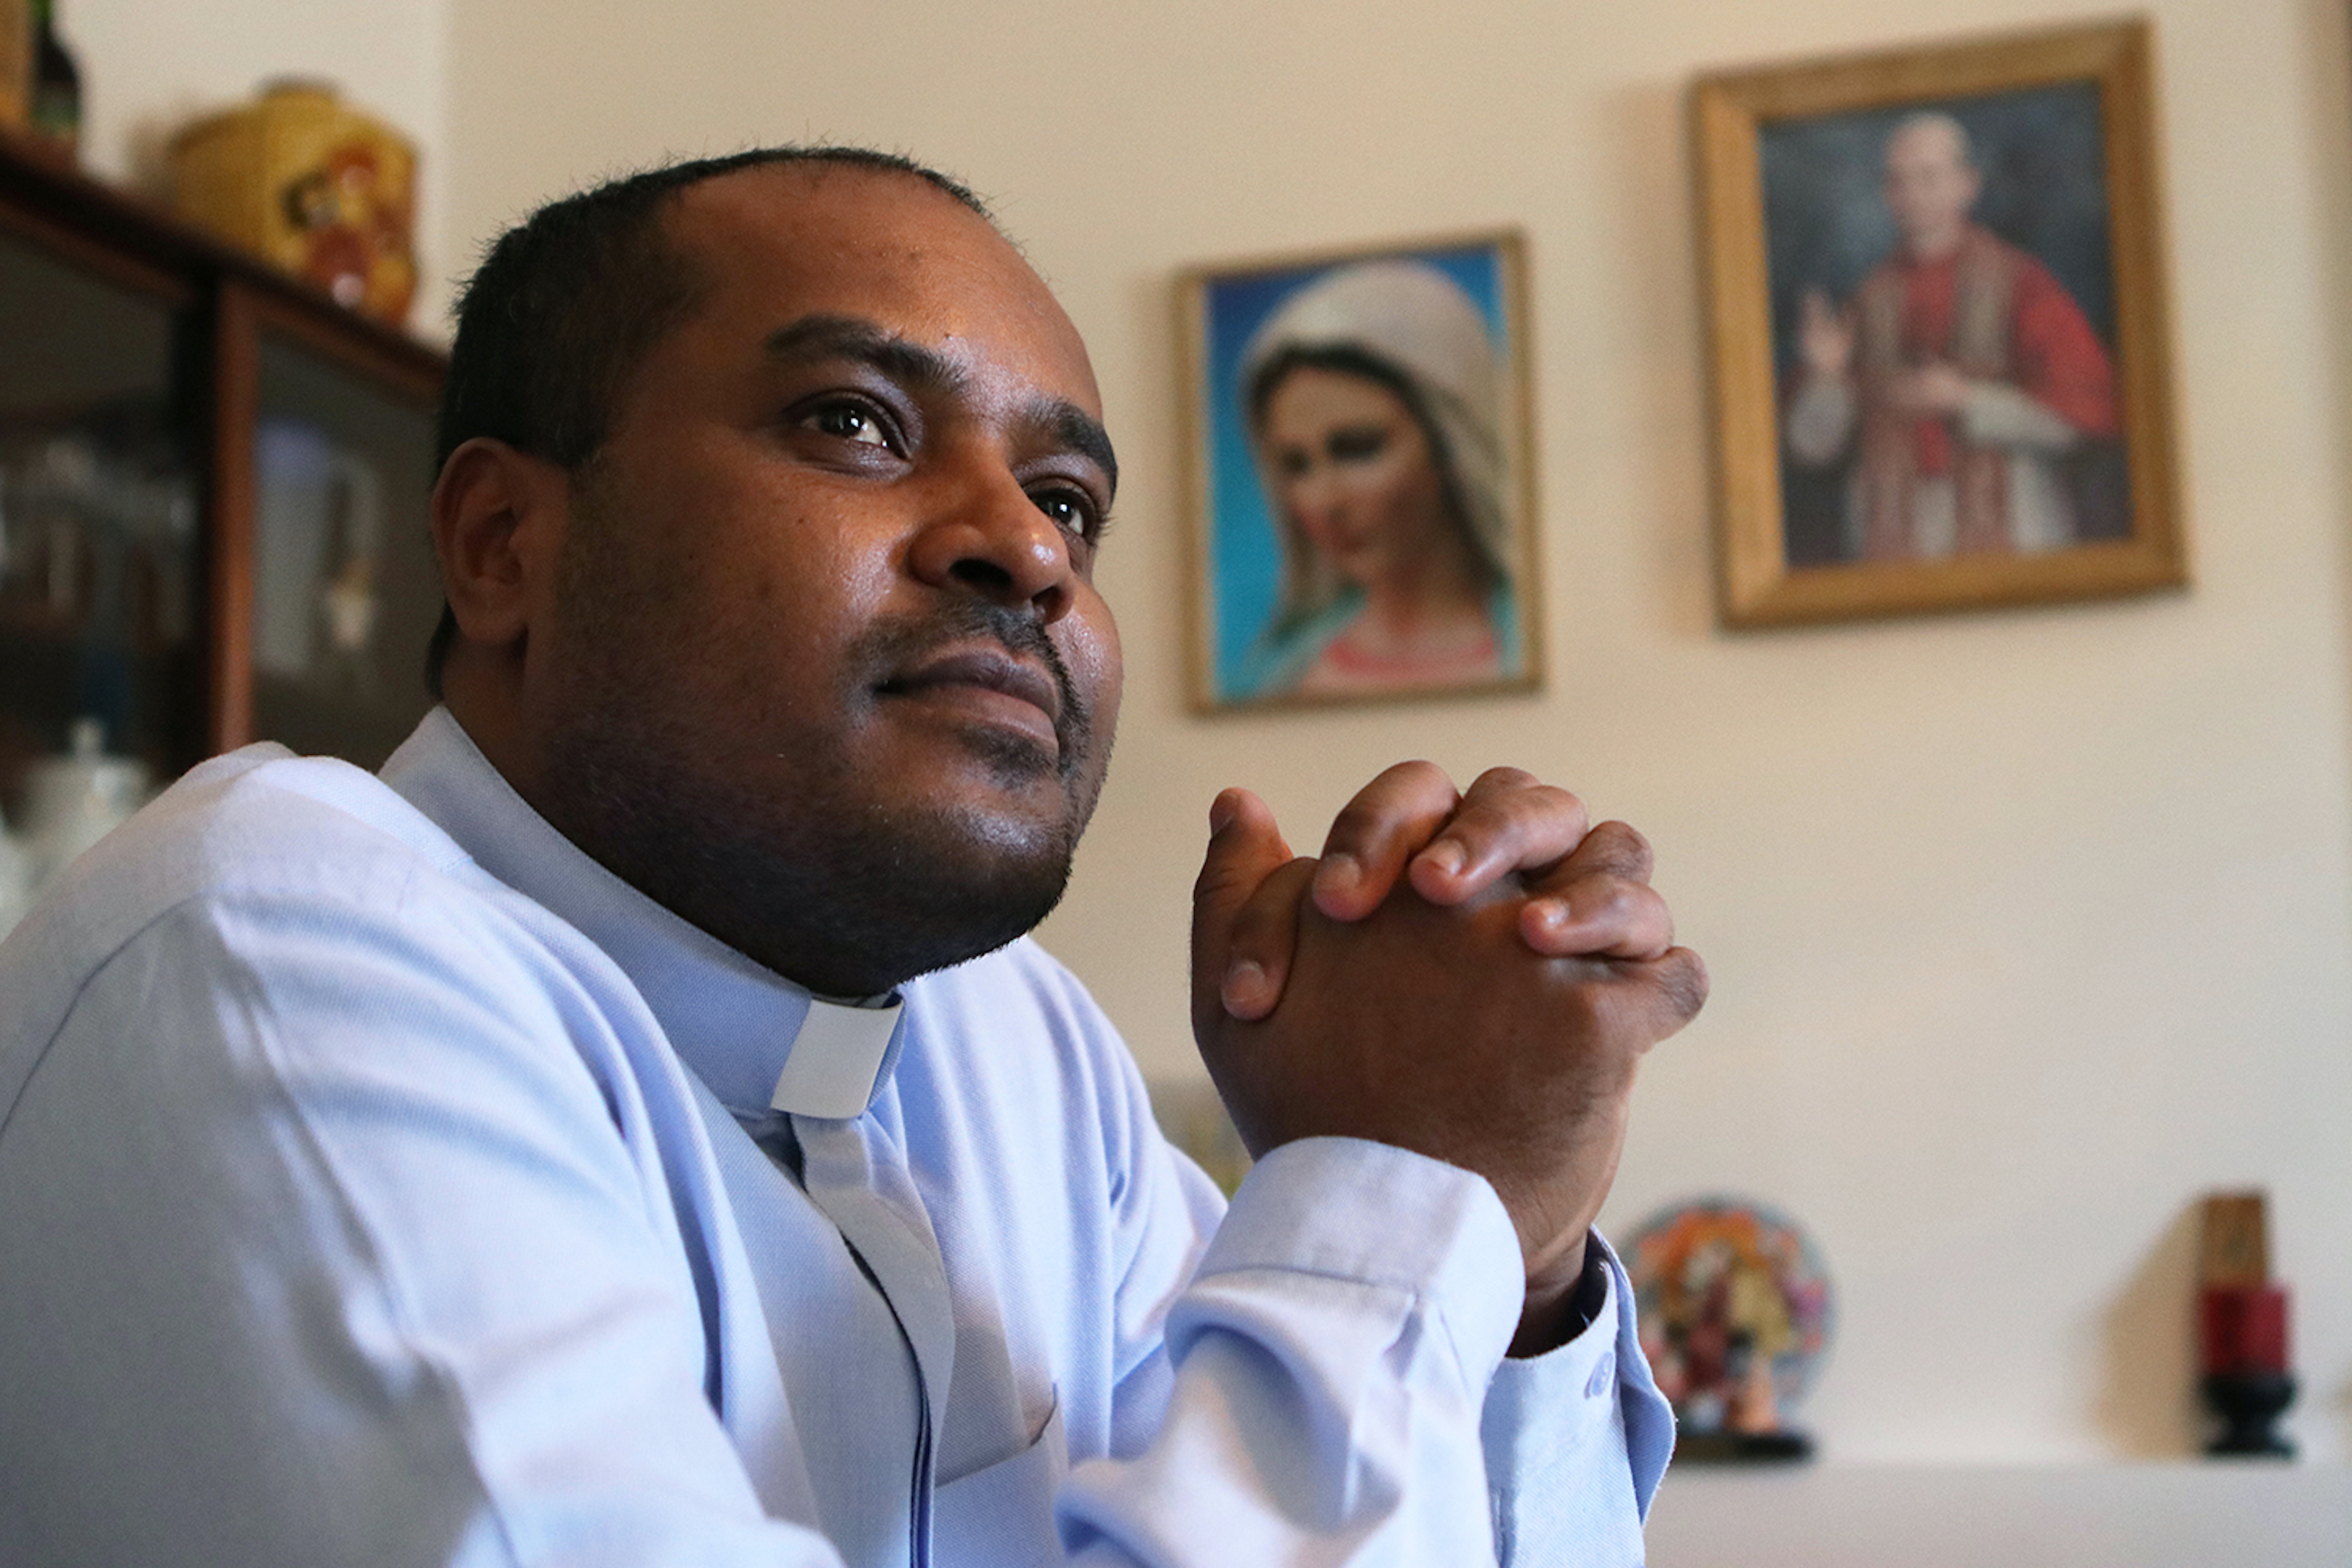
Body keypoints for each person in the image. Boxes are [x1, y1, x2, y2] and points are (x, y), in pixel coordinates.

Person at [0, 149, 1706, 1567]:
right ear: (503, 541)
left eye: (1069, 499)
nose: (1026, 549)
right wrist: (1391, 1184)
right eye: (853, 421)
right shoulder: (271, 943)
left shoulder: (1016, 1041)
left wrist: (1513, 1250)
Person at [1783, 111, 2121, 561]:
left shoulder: (2022, 284)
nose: (1912, 195)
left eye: (1929, 178)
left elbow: (2083, 419)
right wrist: (1825, 378)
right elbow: (1812, 450)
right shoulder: (1867, 298)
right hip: (1891, 528)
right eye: (1899, 181)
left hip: (2016, 518)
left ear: (1967, 184)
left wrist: (1968, 401)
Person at [1232, 260, 1523, 699]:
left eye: (1358, 449)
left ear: (1450, 444)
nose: (1325, 501)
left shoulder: (1545, 642)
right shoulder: (1274, 679)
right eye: (1296, 465)